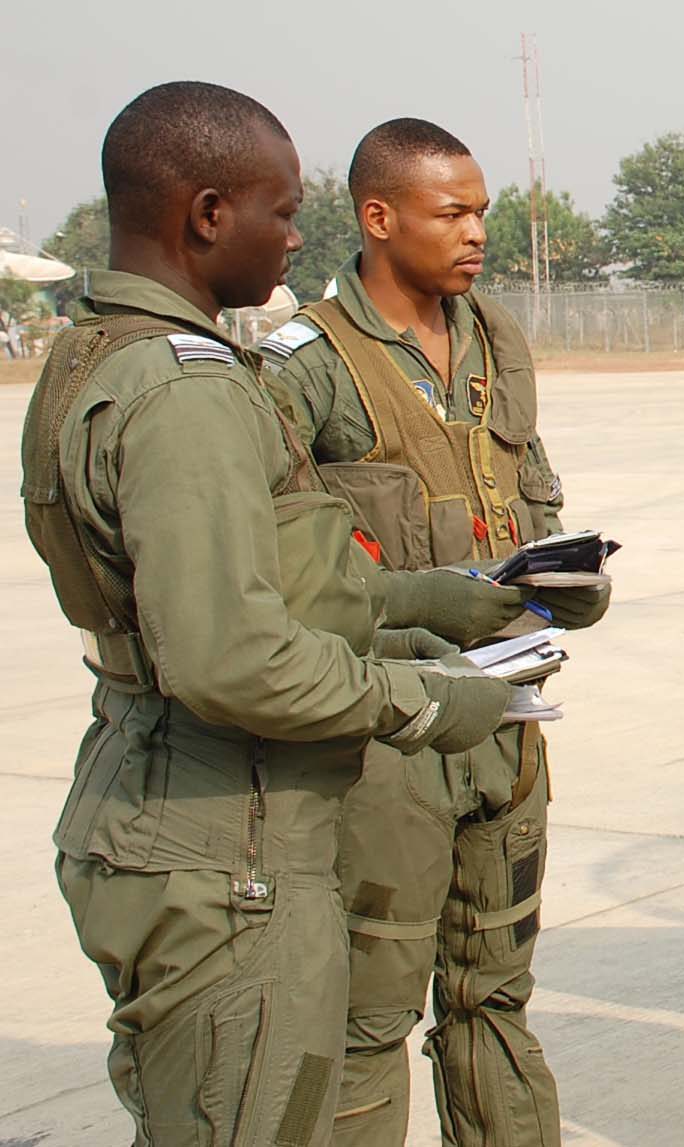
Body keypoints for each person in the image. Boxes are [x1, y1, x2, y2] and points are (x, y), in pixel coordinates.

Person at [19, 82, 517, 1146]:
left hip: (162, 798)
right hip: (221, 831)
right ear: (207, 215)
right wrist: (417, 703)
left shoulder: (92, 357)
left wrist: (416, 602)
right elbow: (230, 657)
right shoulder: (186, 390)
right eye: (281, 212)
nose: (297, 236)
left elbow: (248, 588)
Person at [262, 118, 598, 1147]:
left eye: (481, 210)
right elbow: (280, 574)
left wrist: (566, 579)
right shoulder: (304, 365)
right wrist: (420, 602)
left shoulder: (496, 337)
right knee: (368, 1016)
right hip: (389, 741)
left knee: (493, 997)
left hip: (508, 721)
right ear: (377, 217)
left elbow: (523, 495)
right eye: (451, 210)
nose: (475, 231)